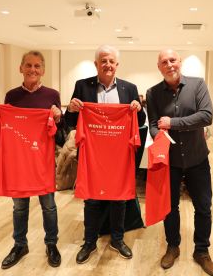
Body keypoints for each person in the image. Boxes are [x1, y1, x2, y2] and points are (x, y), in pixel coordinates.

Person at [64, 45, 145, 264]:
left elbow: (141, 121)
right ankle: (89, 241)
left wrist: (139, 109)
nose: (107, 65)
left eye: (111, 61)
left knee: (119, 200)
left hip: (119, 156)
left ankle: (117, 240)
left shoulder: (129, 88)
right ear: (96, 64)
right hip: (92, 155)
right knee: (91, 200)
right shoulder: (82, 86)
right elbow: (70, 122)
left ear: (117, 65)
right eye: (103, 61)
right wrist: (71, 109)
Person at [146, 49, 213, 276]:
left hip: (197, 158)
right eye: (164, 62)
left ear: (180, 62)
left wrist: (172, 122)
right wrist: (161, 132)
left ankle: (202, 251)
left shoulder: (198, 85)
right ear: (159, 67)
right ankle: (173, 246)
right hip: (171, 161)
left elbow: (206, 116)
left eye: (173, 60)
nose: (169, 65)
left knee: (203, 206)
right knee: (170, 207)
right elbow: (154, 125)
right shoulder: (152, 93)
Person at [0, 51, 62, 269]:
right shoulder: (11, 96)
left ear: (43, 70)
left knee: (49, 206)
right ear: (20, 68)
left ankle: (51, 244)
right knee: (19, 207)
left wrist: (58, 117)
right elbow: (6, 129)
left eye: (37, 66)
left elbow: (59, 133)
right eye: (28, 65)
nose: (32, 70)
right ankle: (20, 245)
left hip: (42, 161)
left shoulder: (52, 95)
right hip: (18, 162)